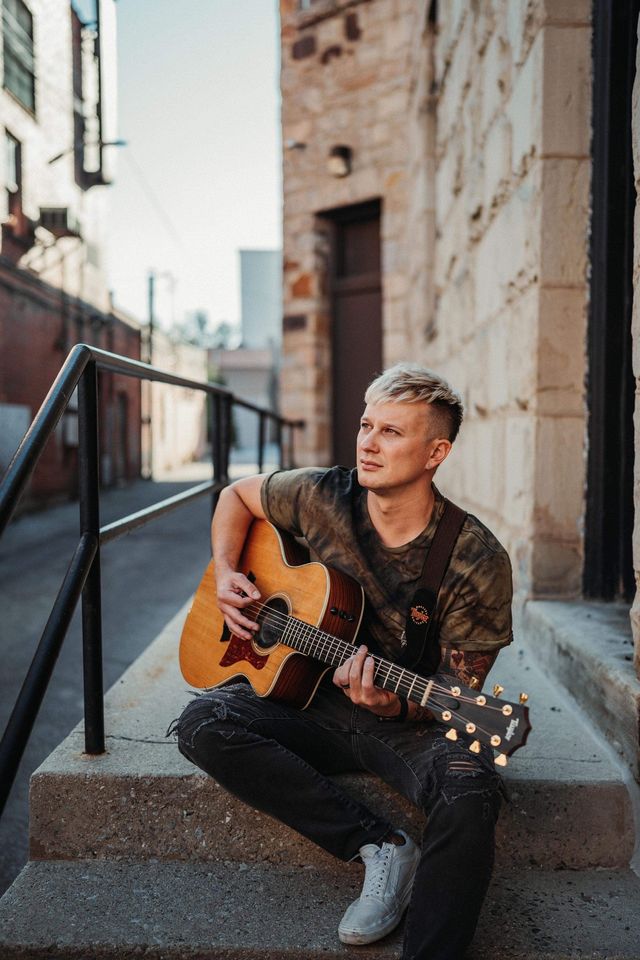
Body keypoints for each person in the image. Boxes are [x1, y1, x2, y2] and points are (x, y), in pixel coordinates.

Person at [175, 363, 513, 960]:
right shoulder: (322, 494)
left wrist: (395, 699)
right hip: (310, 699)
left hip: (409, 719)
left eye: (391, 432)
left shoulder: (475, 558)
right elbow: (235, 496)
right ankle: (380, 845)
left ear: (436, 452)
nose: (367, 442)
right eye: (365, 424)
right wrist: (229, 573)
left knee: (472, 789)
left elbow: (461, 688)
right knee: (203, 723)